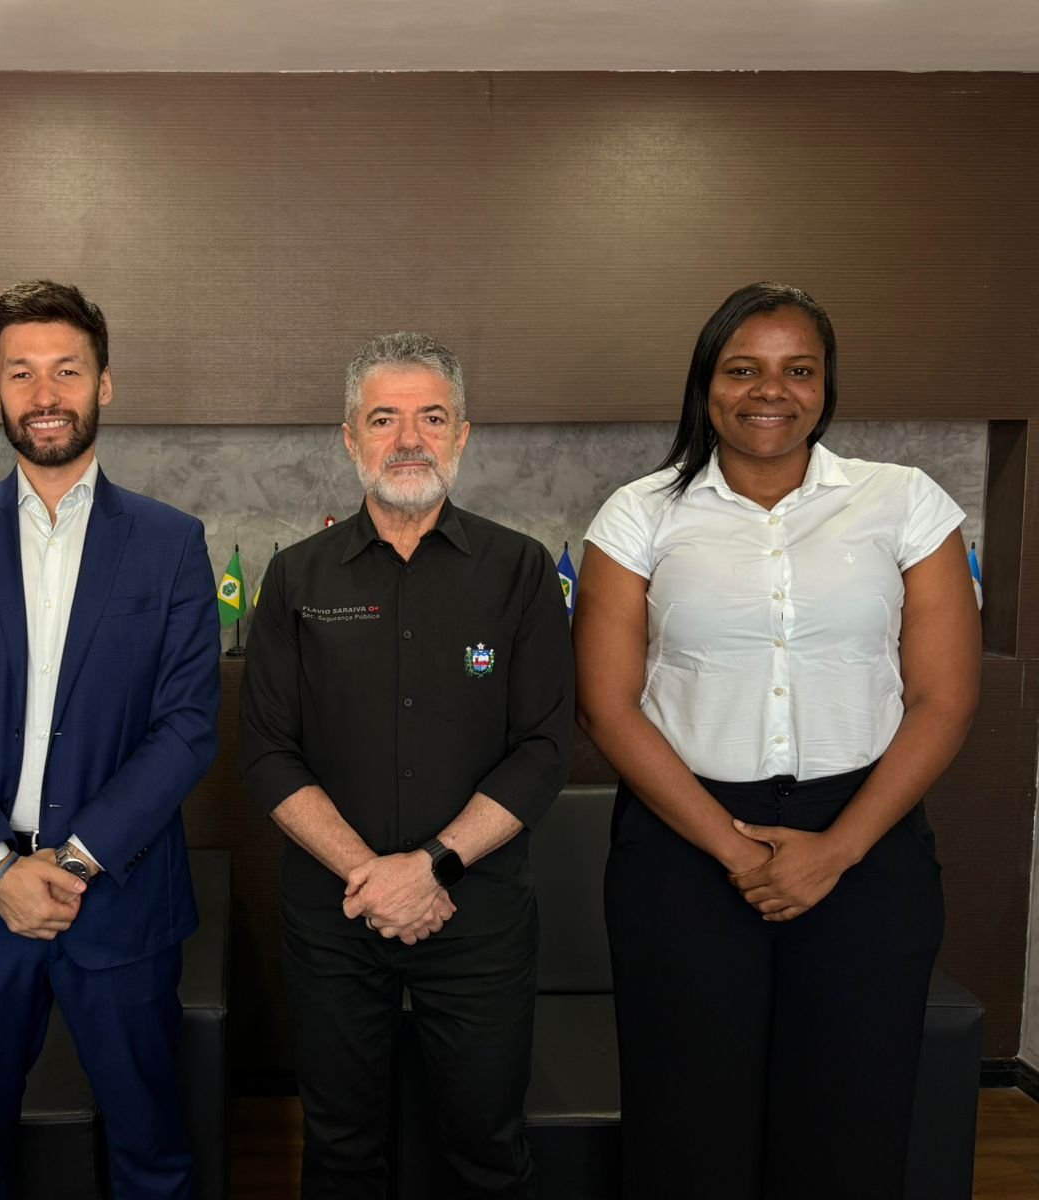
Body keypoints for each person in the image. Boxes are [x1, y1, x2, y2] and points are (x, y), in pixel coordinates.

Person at [574, 281, 981, 1200]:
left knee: (851, 1124)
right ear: (706, 383)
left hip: (867, 842)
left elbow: (944, 700)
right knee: (687, 1128)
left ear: (827, 385)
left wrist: (835, 851)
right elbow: (607, 708)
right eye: (743, 369)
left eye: (799, 370)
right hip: (684, 848)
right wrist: (737, 851)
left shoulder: (905, 502)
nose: (771, 391)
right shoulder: (639, 513)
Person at [0, 279, 221, 1199]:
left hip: (119, 899)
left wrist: (72, 863)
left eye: (66, 371)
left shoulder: (171, 542)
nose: (44, 394)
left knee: (152, 1156)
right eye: (20, 372)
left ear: (103, 384)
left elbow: (188, 727)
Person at [237, 331, 575, 1199]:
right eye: (384, 419)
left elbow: (544, 749)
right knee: (342, 1150)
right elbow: (267, 753)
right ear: (350, 438)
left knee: (487, 1149)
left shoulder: (521, 571)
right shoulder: (296, 577)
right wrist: (375, 877)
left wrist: (430, 869)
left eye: (432, 417)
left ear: (463, 434)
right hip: (334, 917)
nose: (409, 438)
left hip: (479, 914)